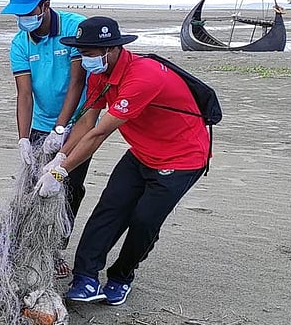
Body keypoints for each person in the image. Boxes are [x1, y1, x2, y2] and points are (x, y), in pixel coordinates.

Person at [38, 17, 210, 307]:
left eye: (92, 53)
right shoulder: (98, 74)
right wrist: (61, 156)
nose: (86, 58)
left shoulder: (143, 77)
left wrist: (59, 175)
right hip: (142, 152)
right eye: (82, 52)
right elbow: (88, 118)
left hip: (181, 157)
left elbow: (100, 133)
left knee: (144, 220)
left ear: (114, 48)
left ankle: (122, 276)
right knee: (109, 209)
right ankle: (85, 277)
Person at [3, 0, 89, 276]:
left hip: (78, 122)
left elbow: (77, 82)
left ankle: (55, 248)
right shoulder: (19, 43)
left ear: (45, 5)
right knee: (32, 187)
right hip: (40, 123)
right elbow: (24, 93)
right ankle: (29, 245)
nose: (22, 18)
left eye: (28, 11)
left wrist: (61, 127)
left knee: (67, 186)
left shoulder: (73, 28)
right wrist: (23, 138)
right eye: (18, 13)